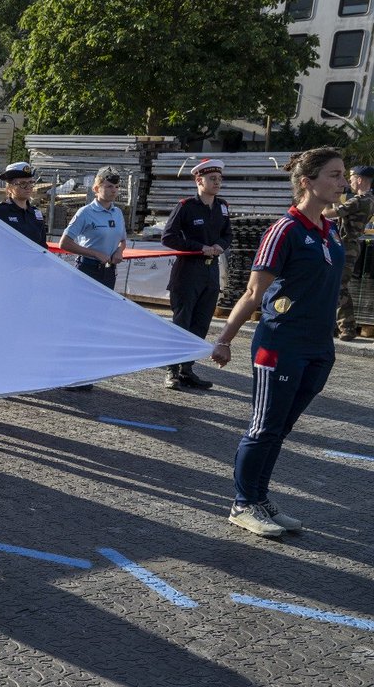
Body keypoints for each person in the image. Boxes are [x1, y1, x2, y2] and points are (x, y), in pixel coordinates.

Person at [210, 148, 347, 538]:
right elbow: (252, 294)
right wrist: (224, 340)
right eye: (334, 175)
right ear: (307, 182)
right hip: (280, 344)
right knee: (264, 427)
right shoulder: (284, 230)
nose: (342, 182)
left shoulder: (329, 230)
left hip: (319, 347)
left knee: (281, 428)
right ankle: (242, 504)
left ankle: (259, 498)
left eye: (343, 175)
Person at [160, 158, 231, 390]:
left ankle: (187, 370)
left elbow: (227, 234)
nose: (217, 183)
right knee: (182, 323)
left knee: (200, 324)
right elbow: (168, 237)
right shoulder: (186, 206)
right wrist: (199, 247)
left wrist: (220, 245)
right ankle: (171, 371)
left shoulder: (222, 206)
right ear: (199, 180)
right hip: (188, 272)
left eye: (219, 179)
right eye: (212, 179)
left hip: (210, 273)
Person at [324, 164, 374, 341]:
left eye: (351, 177)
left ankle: (347, 327)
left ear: (359, 179)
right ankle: (340, 326)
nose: (349, 180)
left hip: (346, 246)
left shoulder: (359, 200)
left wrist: (325, 199)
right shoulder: (368, 199)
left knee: (339, 286)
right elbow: (341, 210)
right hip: (347, 245)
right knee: (336, 285)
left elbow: (330, 213)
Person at [59, 166, 127, 290]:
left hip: (109, 271)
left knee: (104, 308)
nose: (114, 190)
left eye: (117, 187)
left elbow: (122, 240)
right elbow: (64, 243)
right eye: (109, 186)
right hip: (88, 269)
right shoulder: (85, 212)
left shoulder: (117, 212)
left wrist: (119, 251)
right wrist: (95, 254)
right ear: (96, 188)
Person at [0, 161, 47, 249]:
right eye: (23, 184)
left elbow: (43, 246)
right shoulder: (0, 212)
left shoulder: (36, 214)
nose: (28, 187)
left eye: (31, 183)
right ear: (9, 187)